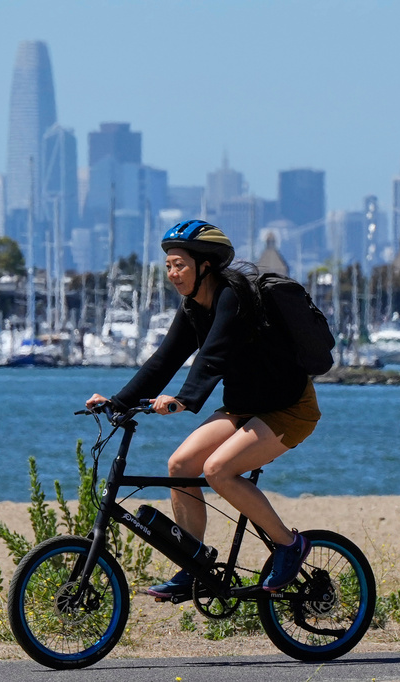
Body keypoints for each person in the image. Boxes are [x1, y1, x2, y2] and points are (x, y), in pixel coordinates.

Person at [86, 219, 321, 600]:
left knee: (218, 470)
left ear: (205, 265)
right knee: (180, 466)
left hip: (289, 408)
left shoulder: (233, 296)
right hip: (243, 407)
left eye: (179, 264)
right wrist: (118, 402)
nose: (173, 274)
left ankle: (289, 545)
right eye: (168, 266)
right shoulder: (194, 307)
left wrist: (184, 399)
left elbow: (211, 357)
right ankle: (192, 563)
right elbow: (163, 360)